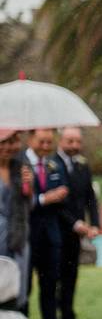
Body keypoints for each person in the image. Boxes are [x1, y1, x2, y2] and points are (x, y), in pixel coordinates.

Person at [23, 129, 70, 319]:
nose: (45, 146)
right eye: (41, 141)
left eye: (49, 142)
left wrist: (59, 196)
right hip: (27, 235)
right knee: (25, 287)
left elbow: (62, 198)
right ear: (30, 139)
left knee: (50, 283)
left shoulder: (54, 164)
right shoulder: (18, 164)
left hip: (51, 235)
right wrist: (44, 198)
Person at [54, 126, 100, 319]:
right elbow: (56, 204)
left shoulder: (82, 165)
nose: (74, 146)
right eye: (70, 141)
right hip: (56, 230)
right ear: (61, 141)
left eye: (77, 141)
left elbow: (90, 197)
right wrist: (75, 223)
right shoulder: (51, 164)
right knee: (55, 277)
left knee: (71, 275)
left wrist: (95, 223)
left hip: (75, 234)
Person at [0, 129, 32, 309]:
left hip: (18, 237)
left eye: (12, 142)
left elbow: (30, 205)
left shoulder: (22, 167)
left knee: (19, 288)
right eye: (2, 142)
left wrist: (27, 186)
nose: (7, 147)